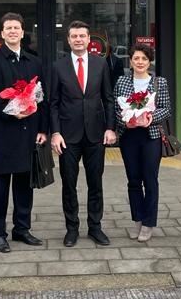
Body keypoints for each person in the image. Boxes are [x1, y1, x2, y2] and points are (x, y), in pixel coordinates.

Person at [0, 12, 48, 253]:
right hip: (2, 133)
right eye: (8, 28)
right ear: (2, 32)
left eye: (16, 27)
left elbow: (42, 97)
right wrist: (10, 110)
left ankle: (22, 229)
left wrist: (43, 129)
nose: (13, 31)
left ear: (23, 32)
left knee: (24, 185)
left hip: (28, 133)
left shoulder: (33, 61)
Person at [50, 20, 116, 247]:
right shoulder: (58, 66)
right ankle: (72, 229)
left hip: (96, 134)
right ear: (68, 40)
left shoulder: (101, 64)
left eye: (82, 36)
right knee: (69, 184)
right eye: (74, 36)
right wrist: (55, 132)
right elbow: (53, 103)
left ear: (89, 39)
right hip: (67, 136)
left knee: (95, 183)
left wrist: (110, 128)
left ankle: (95, 227)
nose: (78, 39)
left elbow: (108, 98)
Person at [114, 43, 171, 242]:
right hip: (129, 136)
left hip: (151, 136)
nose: (140, 62)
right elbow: (115, 108)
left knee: (150, 179)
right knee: (133, 180)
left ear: (149, 61)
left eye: (144, 59)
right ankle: (137, 219)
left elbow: (166, 109)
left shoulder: (159, 82)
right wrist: (125, 120)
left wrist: (151, 118)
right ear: (130, 61)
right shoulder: (122, 81)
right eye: (136, 58)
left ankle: (148, 223)